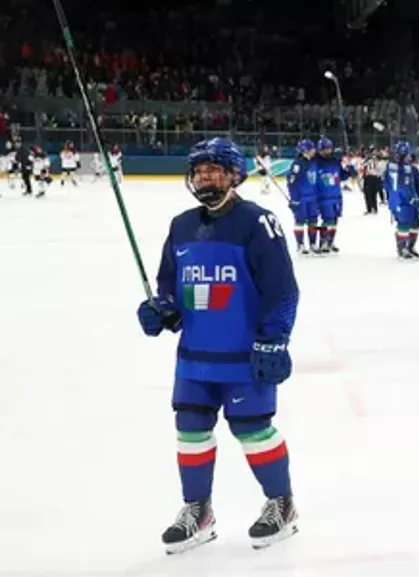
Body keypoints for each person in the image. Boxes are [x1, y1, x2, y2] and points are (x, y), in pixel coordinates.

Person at [136, 138, 300, 554]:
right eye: (199, 171)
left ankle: (282, 504)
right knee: (190, 428)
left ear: (234, 175)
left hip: (244, 355)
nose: (205, 177)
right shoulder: (181, 226)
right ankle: (198, 511)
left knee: (252, 428)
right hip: (195, 357)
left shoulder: (257, 222)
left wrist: (274, 340)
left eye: (214, 170)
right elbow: (170, 286)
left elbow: (282, 290)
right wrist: (162, 310)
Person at [286, 139, 320, 255]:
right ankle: (300, 244)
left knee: (313, 221)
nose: (314, 151)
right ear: (306, 150)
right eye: (312, 149)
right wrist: (294, 198)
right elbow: (292, 182)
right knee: (300, 221)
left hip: (313, 198)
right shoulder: (298, 164)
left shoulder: (314, 162)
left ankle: (313, 243)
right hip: (301, 198)